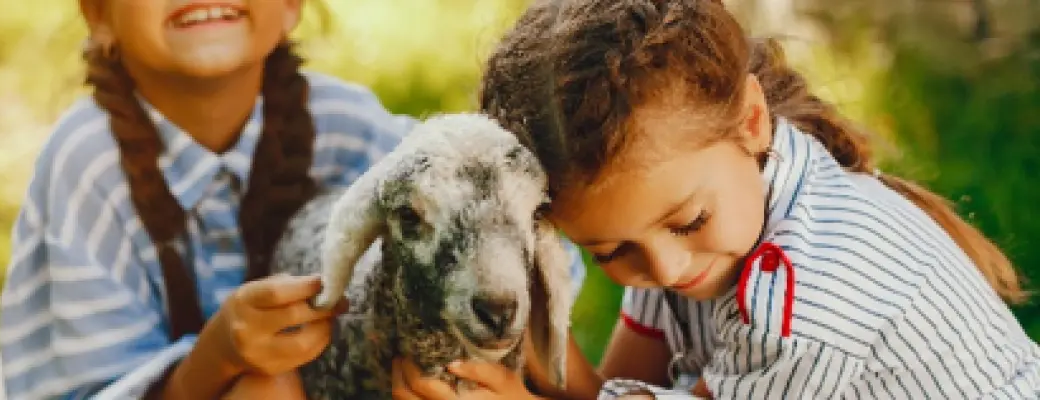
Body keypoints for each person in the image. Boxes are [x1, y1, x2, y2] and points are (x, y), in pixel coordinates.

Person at [395, 0, 1040, 398]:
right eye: (610, 252)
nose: (668, 271)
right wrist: (539, 362)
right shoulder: (673, 226)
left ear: (751, 120)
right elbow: (626, 389)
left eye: (688, 221)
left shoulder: (804, 298)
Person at [0, 0, 415, 398]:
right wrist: (216, 358)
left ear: (290, 5)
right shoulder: (87, 165)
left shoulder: (349, 127)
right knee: (268, 389)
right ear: (99, 15)